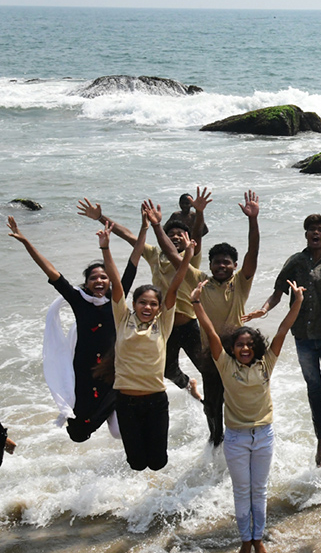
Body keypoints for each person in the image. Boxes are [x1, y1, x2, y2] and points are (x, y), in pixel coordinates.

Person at [194, 279, 304, 553]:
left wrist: (298, 302)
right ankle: (246, 541)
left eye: (249, 344)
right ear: (233, 348)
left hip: (264, 435)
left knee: (260, 490)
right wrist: (196, 303)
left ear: (256, 347)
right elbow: (209, 331)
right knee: (241, 490)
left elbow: (283, 329)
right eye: (240, 345)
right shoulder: (225, 364)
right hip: (236, 438)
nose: (244, 349)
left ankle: (259, 538)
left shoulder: (266, 363)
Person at [8, 213, 143, 441]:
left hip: (114, 371)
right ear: (87, 283)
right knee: (78, 434)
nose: (99, 281)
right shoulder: (78, 300)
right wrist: (25, 241)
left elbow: (134, 261)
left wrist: (145, 227)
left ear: (111, 281)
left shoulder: (117, 301)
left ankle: (121, 412)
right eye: (93, 278)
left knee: (119, 433)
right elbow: (51, 272)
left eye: (104, 277)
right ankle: (108, 410)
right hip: (84, 373)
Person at [244, 213, 321, 466]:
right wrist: (264, 309)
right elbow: (277, 294)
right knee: (314, 389)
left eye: (320, 230)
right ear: (306, 235)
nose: (315, 233)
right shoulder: (295, 262)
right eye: (311, 230)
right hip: (303, 337)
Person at [78, 191, 210, 401]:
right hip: (164, 326)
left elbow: (197, 238)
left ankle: (216, 409)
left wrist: (199, 213)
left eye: (180, 234)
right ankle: (188, 385)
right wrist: (101, 218)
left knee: (207, 369)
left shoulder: (189, 257)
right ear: (164, 237)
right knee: (167, 370)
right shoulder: (155, 254)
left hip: (188, 324)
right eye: (171, 234)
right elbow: (129, 235)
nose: (175, 236)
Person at [100, 221, 193, 471]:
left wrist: (188, 259)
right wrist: (106, 249)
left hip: (155, 402)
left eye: (153, 304)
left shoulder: (163, 324)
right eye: (142, 302)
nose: (147, 307)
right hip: (126, 402)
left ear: (159, 307)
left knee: (158, 463)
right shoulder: (123, 318)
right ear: (135, 303)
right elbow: (116, 283)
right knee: (137, 464)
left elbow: (174, 286)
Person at [190, 191, 261, 447]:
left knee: (239, 401)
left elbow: (253, 250)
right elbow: (177, 256)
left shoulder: (241, 282)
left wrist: (253, 220)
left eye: (227, 262)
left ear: (234, 265)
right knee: (212, 404)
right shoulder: (200, 281)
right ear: (209, 265)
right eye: (217, 262)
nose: (222, 266)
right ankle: (215, 439)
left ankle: (240, 440)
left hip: (239, 353)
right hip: (210, 354)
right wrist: (198, 214)